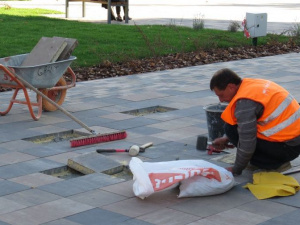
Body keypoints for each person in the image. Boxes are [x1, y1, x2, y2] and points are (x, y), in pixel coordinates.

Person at [210, 68, 300, 176]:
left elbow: (247, 142)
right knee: (232, 126)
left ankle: (275, 164)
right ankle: (270, 160)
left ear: (231, 87)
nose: (221, 100)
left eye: (221, 95)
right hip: (293, 142)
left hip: (287, 148)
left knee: (232, 130)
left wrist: (236, 169)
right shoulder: (251, 85)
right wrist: (226, 138)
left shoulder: (245, 103)